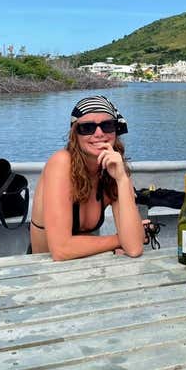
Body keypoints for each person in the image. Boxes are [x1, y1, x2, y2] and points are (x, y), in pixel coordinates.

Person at [29, 95, 145, 260]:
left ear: (115, 130)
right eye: (87, 128)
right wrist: (119, 240)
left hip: (88, 268)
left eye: (107, 125)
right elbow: (61, 250)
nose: (99, 133)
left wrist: (122, 179)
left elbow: (134, 248)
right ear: (75, 135)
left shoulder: (112, 168)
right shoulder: (61, 163)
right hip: (45, 273)